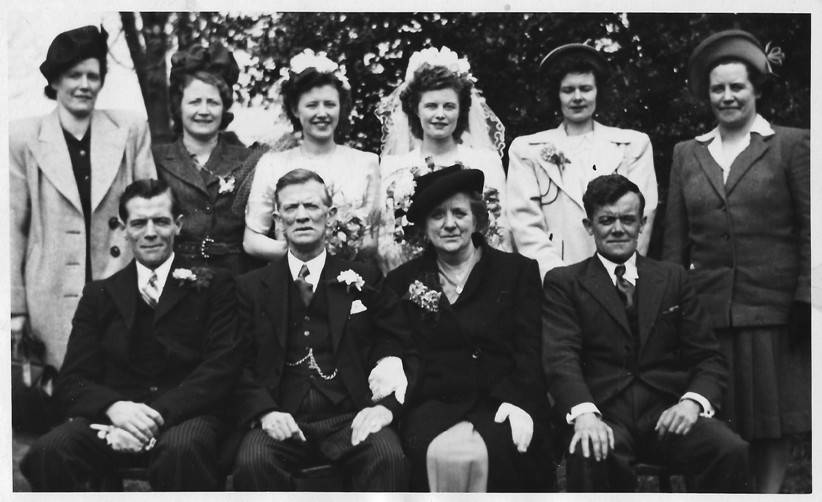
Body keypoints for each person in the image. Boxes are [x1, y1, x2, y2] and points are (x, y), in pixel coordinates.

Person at [20, 180, 241, 491]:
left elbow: (221, 369)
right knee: (47, 452)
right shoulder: (100, 294)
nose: (150, 232)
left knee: (180, 450)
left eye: (161, 221)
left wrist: (154, 418)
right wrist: (115, 409)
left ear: (178, 226)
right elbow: (72, 380)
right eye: (139, 223)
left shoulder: (215, 285)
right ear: (124, 229)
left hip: (186, 416)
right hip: (115, 417)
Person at [663, 30, 810, 494]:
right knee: (718, 423)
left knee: (770, 421)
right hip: (708, 315)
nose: (726, 97)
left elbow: (814, 229)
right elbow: (674, 241)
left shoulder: (791, 145)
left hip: (774, 312)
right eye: (717, 89)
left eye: (736, 87)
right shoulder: (688, 153)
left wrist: (808, 298)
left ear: (757, 89)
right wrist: (669, 308)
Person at [543, 174, 751, 492]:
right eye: (606, 220)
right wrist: (584, 414)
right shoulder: (565, 283)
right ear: (588, 226)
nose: (618, 228)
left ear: (641, 224)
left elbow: (708, 356)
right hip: (604, 414)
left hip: (666, 413)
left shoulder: (672, 279)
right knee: (589, 450)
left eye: (628, 219)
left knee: (728, 449)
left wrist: (692, 403)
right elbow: (561, 357)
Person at [230, 168, 413, 491]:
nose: (302, 216)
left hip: (350, 414)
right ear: (277, 219)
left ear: (329, 216)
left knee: (387, 454)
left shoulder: (364, 278)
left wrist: (386, 408)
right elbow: (235, 362)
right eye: (291, 208)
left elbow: (398, 343)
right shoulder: (251, 288)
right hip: (281, 415)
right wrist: (264, 412)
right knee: (253, 460)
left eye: (312, 207)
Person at [384, 165, 553, 492]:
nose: (449, 224)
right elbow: (402, 353)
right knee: (428, 451)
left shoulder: (517, 272)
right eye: (437, 215)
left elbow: (530, 349)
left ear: (476, 218)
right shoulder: (402, 282)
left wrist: (518, 400)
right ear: (424, 226)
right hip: (434, 404)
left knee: (504, 452)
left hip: (502, 400)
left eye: (459, 213)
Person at [10, 25, 156, 369]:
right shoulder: (22, 138)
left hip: (119, 284)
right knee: (62, 394)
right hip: (49, 292)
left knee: (120, 390)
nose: (84, 85)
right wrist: (15, 309)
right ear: (55, 80)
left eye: (93, 75)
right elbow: (11, 228)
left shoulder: (130, 129)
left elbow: (151, 209)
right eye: (74, 75)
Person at [507, 43, 658, 279]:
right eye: (568, 90)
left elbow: (641, 217)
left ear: (598, 91)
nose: (577, 97)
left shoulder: (632, 145)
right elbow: (526, 225)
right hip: (556, 283)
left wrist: (619, 276)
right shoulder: (528, 150)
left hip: (617, 280)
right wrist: (559, 280)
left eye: (586, 88)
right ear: (556, 94)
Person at [377, 46, 509, 272]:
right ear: (416, 110)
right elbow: (387, 238)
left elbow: (502, 228)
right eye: (431, 106)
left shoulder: (486, 161)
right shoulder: (393, 166)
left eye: (449, 106)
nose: (440, 114)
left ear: (460, 111)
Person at [242, 49, 380, 263]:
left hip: (349, 277)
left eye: (330, 104)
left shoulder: (366, 163)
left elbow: (371, 240)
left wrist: (339, 250)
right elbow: (251, 240)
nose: (322, 113)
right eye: (312, 105)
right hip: (291, 277)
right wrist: (301, 254)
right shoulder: (272, 164)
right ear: (296, 110)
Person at [154, 43, 254, 274]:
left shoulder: (249, 160)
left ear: (224, 107)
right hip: (177, 274)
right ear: (179, 106)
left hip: (236, 277)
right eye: (194, 102)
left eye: (213, 103)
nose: (204, 111)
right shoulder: (157, 158)